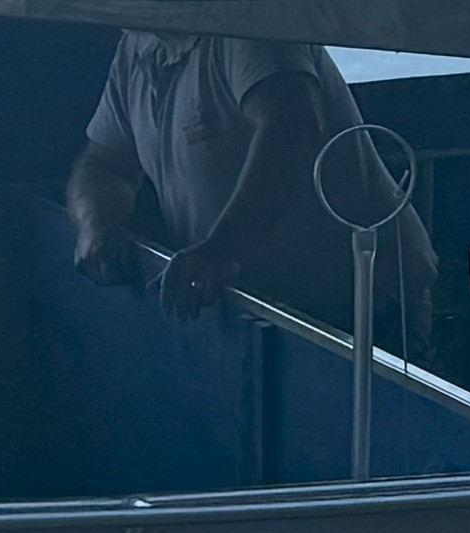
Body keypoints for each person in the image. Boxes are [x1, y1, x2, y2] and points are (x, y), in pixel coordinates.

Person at [68, 25, 437, 340]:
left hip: (364, 307)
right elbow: (104, 164)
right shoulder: (138, 48)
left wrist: (223, 248)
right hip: (265, 312)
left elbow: (292, 126)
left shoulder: (246, 25)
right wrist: (94, 223)